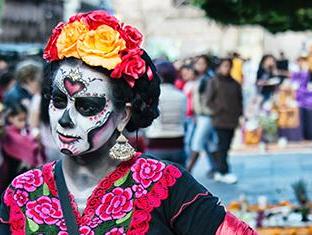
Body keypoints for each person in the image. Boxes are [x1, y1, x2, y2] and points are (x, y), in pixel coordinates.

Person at [0, 11, 256, 234]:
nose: (65, 119)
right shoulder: (22, 192)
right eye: (58, 101)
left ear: (124, 115)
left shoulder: (162, 183)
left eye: (87, 106)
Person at [206, 58, 243, 184]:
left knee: (226, 146)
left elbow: (239, 102)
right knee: (222, 146)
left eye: (228, 66)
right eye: (224, 66)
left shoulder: (235, 83)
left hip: (232, 120)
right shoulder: (214, 81)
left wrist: (239, 116)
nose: (226, 68)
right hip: (219, 120)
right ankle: (223, 170)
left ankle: (219, 169)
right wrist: (218, 110)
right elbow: (208, 101)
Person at [145, 59, 186, 166]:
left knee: (154, 180)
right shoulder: (181, 96)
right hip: (178, 142)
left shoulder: (154, 96)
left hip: (156, 142)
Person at [1, 103, 44, 190]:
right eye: (20, 120)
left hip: (23, 171)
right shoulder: (7, 133)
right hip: (11, 171)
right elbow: (27, 145)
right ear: (10, 118)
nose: (23, 123)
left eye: (25, 119)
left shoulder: (27, 131)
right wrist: (34, 141)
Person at [187, 55, 217, 176]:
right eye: (197, 63)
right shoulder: (200, 78)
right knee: (210, 144)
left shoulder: (208, 78)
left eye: (202, 63)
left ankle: (188, 170)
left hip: (207, 115)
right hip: (200, 115)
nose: (199, 66)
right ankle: (217, 168)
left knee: (197, 142)